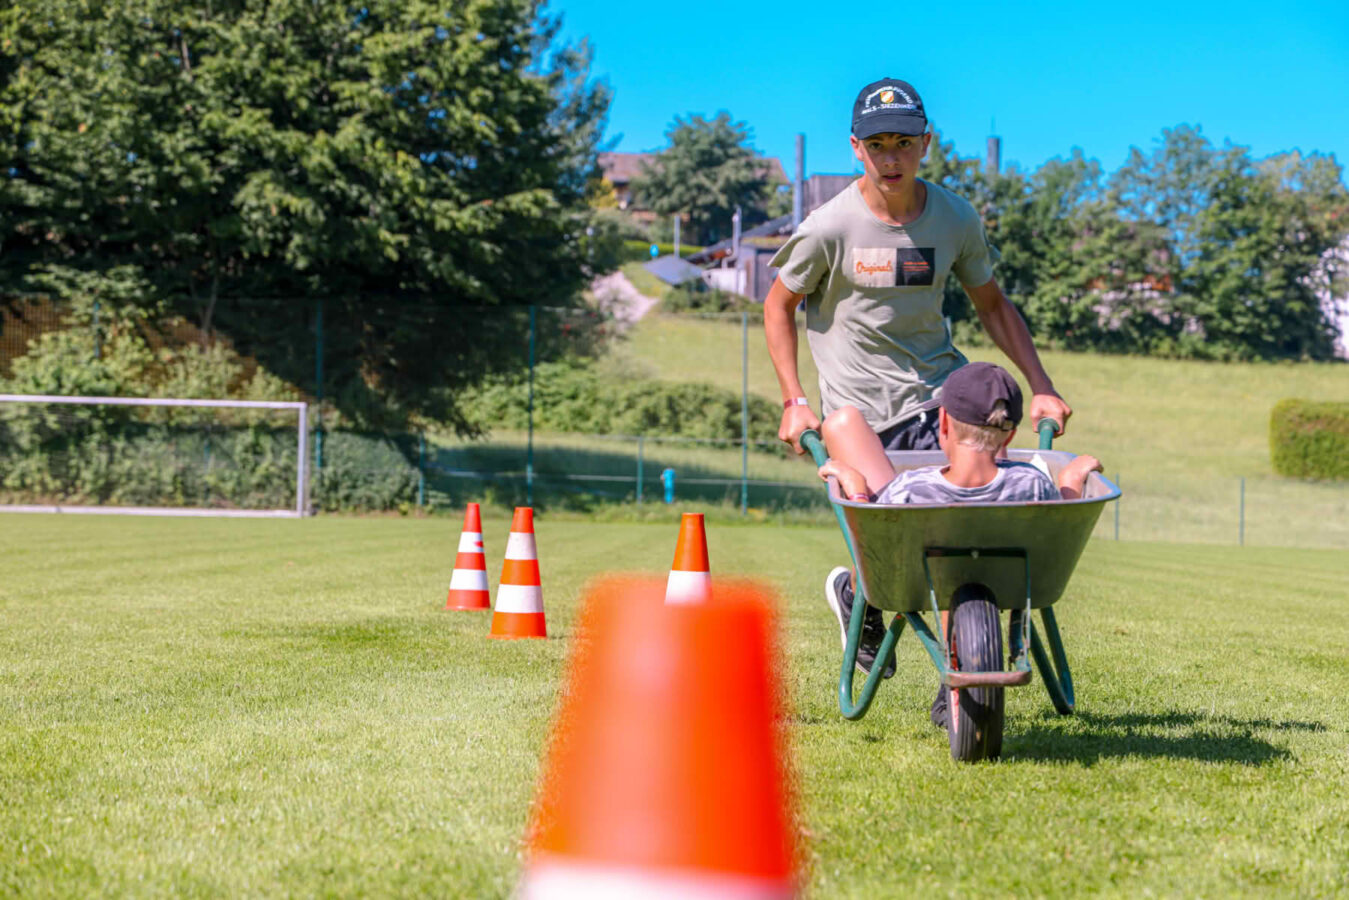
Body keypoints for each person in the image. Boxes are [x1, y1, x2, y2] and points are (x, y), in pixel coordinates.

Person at [763, 76, 1074, 684]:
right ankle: (866, 589)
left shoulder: (955, 218)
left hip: (938, 396)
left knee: (971, 526)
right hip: (862, 416)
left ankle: (959, 678)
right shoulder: (830, 226)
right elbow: (778, 306)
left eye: (903, 141)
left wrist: (1041, 382)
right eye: (877, 143)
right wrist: (795, 401)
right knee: (902, 541)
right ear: (856, 147)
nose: (891, 156)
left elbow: (991, 305)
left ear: (925, 143)